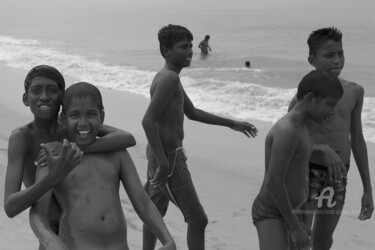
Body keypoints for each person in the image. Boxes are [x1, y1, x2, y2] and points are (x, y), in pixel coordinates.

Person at [142, 24, 258, 250]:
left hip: (160, 153)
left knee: (154, 211)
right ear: (166, 51)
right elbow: (148, 121)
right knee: (198, 219)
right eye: (183, 47)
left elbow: (192, 112)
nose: (190, 51)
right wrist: (164, 162)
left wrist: (231, 123)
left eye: (190, 46)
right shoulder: (170, 79)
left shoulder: (170, 76)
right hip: (168, 157)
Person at [29, 82, 176, 250]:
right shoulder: (54, 157)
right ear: (64, 119)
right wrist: (50, 241)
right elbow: (38, 213)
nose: (83, 122)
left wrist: (167, 239)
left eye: (91, 114)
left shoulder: (117, 154)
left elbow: (143, 203)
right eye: (75, 115)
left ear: (102, 117)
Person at [4, 65, 136, 249]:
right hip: (49, 233)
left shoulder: (72, 124)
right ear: (26, 99)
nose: (44, 96)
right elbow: (10, 207)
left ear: (62, 98)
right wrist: (51, 179)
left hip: (83, 232)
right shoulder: (22, 137)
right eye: (36, 91)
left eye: (52, 90)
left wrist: (71, 149)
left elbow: (126, 138)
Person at [288, 27, 374, 249]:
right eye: (329, 55)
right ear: (312, 59)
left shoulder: (355, 91)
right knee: (301, 234)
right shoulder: (305, 96)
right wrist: (318, 148)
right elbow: (287, 138)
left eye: (341, 53)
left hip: (338, 175)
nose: (337, 60)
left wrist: (368, 189)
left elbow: (357, 139)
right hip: (306, 172)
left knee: (324, 239)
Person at [253, 70, 343, 250]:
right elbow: (274, 182)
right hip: (271, 212)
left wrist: (299, 215)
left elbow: (298, 162)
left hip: (291, 211)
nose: (332, 112)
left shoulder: (302, 126)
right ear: (310, 98)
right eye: (329, 104)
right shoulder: (288, 130)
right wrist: (294, 227)